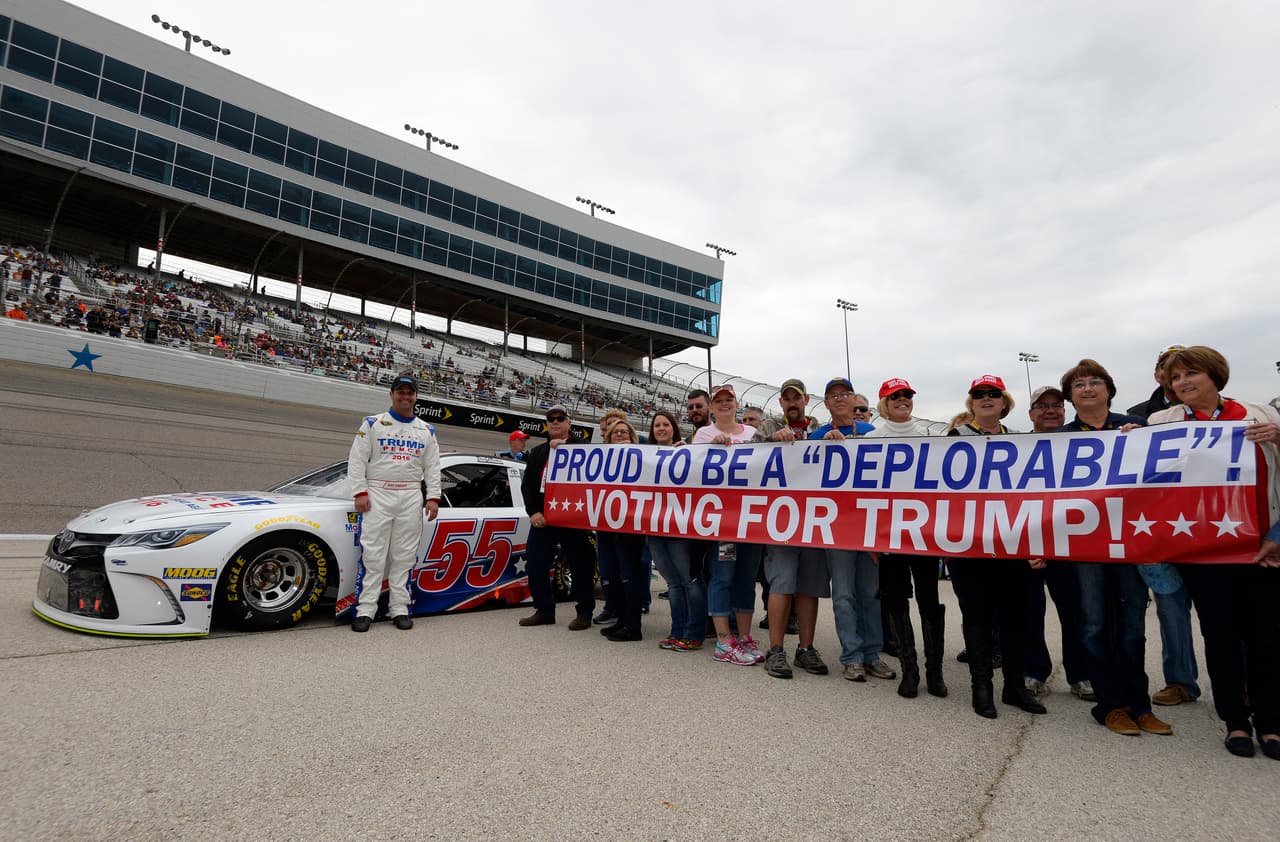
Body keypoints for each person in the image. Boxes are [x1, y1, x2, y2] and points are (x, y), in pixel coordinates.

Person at [1148, 346, 1280, 758]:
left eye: (1192, 374)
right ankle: (1235, 722)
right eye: (1176, 378)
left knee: (1266, 638)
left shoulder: (1263, 415)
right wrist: (1128, 446)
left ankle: (1272, 723)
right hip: (1204, 551)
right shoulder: (1159, 422)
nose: (1183, 383)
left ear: (1214, 375)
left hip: (1263, 546)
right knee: (1220, 636)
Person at [1056, 359, 1172, 736]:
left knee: (1133, 626)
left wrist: (1140, 442)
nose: (1087, 389)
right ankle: (1110, 705)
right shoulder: (1058, 438)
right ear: (1071, 397)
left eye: (1095, 382)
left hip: (1129, 542)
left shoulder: (1137, 428)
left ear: (1108, 389)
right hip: (1085, 547)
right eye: (1078, 385)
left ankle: (1140, 705)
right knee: (1092, 624)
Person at [947, 375, 1046, 717]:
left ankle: (1015, 687)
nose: (986, 398)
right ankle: (982, 686)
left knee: (1015, 617)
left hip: (1012, 541)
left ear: (1005, 402)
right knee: (976, 613)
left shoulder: (1021, 441)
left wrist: (1037, 542)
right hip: (970, 543)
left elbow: (1036, 495)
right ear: (971, 402)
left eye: (993, 394)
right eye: (979, 394)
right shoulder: (955, 438)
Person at [865, 378, 947, 697]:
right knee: (896, 599)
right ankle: (909, 670)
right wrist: (870, 539)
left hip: (923, 534)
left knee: (929, 599)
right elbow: (866, 492)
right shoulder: (873, 438)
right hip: (889, 535)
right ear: (884, 402)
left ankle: (934, 672)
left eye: (907, 395)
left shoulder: (929, 436)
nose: (903, 399)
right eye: (895, 396)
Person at [810, 377, 892, 683]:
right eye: (833, 396)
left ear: (853, 397)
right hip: (836, 526)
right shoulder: (818, 435)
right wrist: (822, 446)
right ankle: (852, 656)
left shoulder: (872, 433)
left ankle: (872, 654)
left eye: (844, 394)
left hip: (868, 524)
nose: (840, 399)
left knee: (869, 593)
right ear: (827, 403)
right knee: (843, 594)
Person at [347, 373, 442, 632]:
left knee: (404, 556)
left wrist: (433, 497)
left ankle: (399, 608)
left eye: (410, 392)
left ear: (416, 396)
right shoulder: (372, 423)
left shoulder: (427, 430)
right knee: (374, 555)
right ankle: (366, 610)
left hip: (411, 495)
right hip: (377, 493)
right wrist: (360, 492)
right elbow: (357, 461)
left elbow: (432, 468)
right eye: (400, 391)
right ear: (391, 394)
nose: (405, 396)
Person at [758, 377, 833, 680]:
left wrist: (835, 444)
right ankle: (776, 649)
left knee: (810, 587)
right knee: (782, 584)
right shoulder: (768, 427)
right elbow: (750, 457)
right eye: (786, 398)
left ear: (806, 400)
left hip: (814, 520)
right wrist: (772, 441)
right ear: (781, 403)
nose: (791, 402)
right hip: (782, 519)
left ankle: (806, 648)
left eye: (796, 398)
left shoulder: (821, 431)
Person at [1022, 385, 1093, 703]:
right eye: (1042, 406)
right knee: (1030, 612)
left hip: (1069, 544)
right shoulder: (1018, 446)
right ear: (1030, 413)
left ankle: (1081, 674)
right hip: (1028, 545)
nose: (1050, 411)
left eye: (1056, 405)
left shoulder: (1081, 443)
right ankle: (1034, 672)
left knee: (1075, 612)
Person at [694, 384, 762, 666]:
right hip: (722, 521)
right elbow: (692, 470)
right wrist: (708, 450)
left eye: (729, 400)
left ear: (737, 405)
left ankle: (743, 636)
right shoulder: (703, 434)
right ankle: (723, 640)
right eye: (718, 401)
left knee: (747, 577)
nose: (724, 404)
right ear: (711, 407)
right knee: (722, 576)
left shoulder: (752, 434)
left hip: (753, 519)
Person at [519, 404, 597, 630]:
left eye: (560, 418)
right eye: (551, 419)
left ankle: (584, 612)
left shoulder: (582, 447)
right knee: (535, 563)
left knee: (581, 565)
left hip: (572, 517)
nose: (555, 422)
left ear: (568, 423)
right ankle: (544, 610)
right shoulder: (538, 452)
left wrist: (567, 446)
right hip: (544, 517)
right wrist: (533, 511)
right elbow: (527, 486)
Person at [646, 411, 704, 651]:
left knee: (689, 581)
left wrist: (687, 452)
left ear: (674, 428)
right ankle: (677, 630)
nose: (661, 428)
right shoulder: (644, 456)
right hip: (654, 527)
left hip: (679, 527)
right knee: (672, 583)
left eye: (665, 424)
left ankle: (695, 632)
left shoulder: (687, 452)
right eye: (657, 425)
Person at [595, 419, 648, 642]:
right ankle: (622, 620)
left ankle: (633, 626)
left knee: (630, 576)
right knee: (614, 575)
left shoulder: (642, 456)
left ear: (632, 436)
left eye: (624, 432)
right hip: (607, 525)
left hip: (630, 526)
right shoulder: (600, 458)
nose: (619, 435)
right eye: (615, 432)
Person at [1127, 345, 1185, 420]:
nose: (1173, 371)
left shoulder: (1204, 408)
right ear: (1157, 376)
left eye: (1182, 365)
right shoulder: (1136, 415)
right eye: (1166, 366)